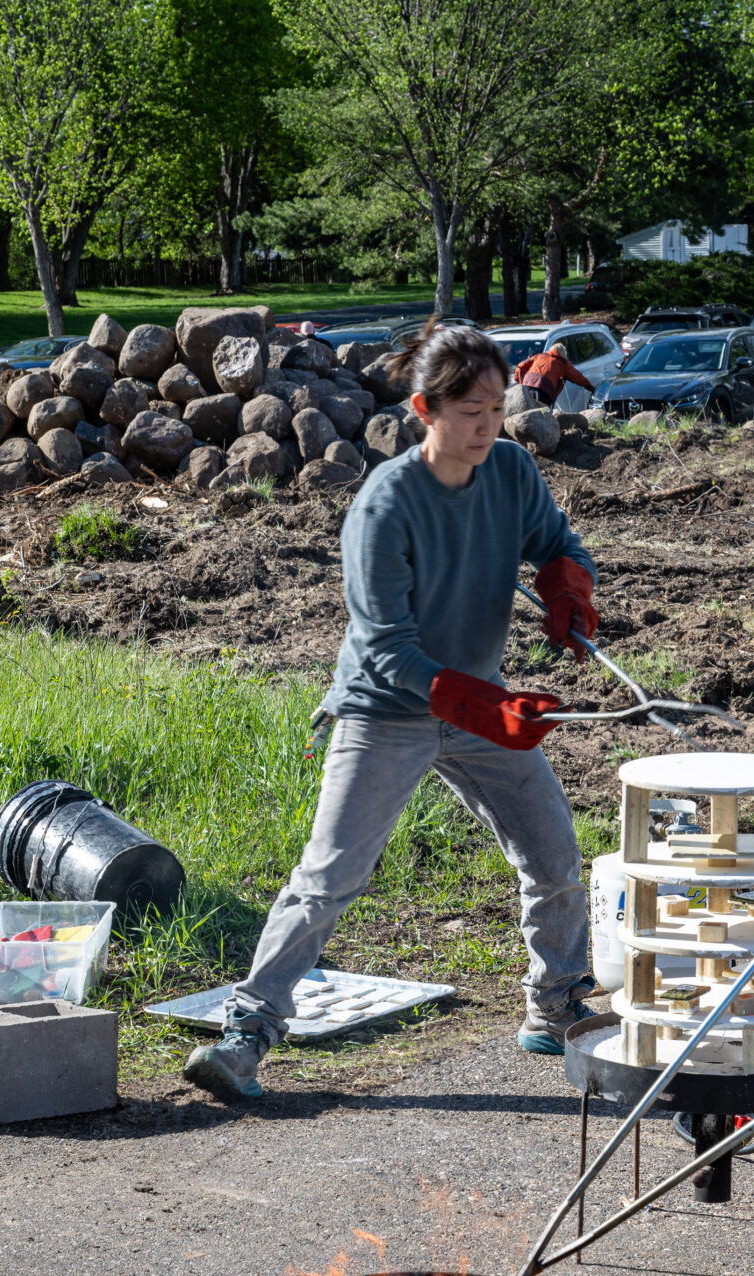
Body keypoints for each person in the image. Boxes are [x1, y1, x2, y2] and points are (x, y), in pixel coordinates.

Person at [183, 323, 600, 1101]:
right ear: (424, 409)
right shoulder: (385, 506)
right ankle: (248, 1030)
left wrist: (567, 583)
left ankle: (555, 1001)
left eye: (497, 406)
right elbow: (385, 649)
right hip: (389, 707)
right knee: (331, 873)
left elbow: (555, 539)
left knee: (552, 852)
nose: (488, 425)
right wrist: (482, 704)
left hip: (477, 700)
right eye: (470, 410)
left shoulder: (509, 469)